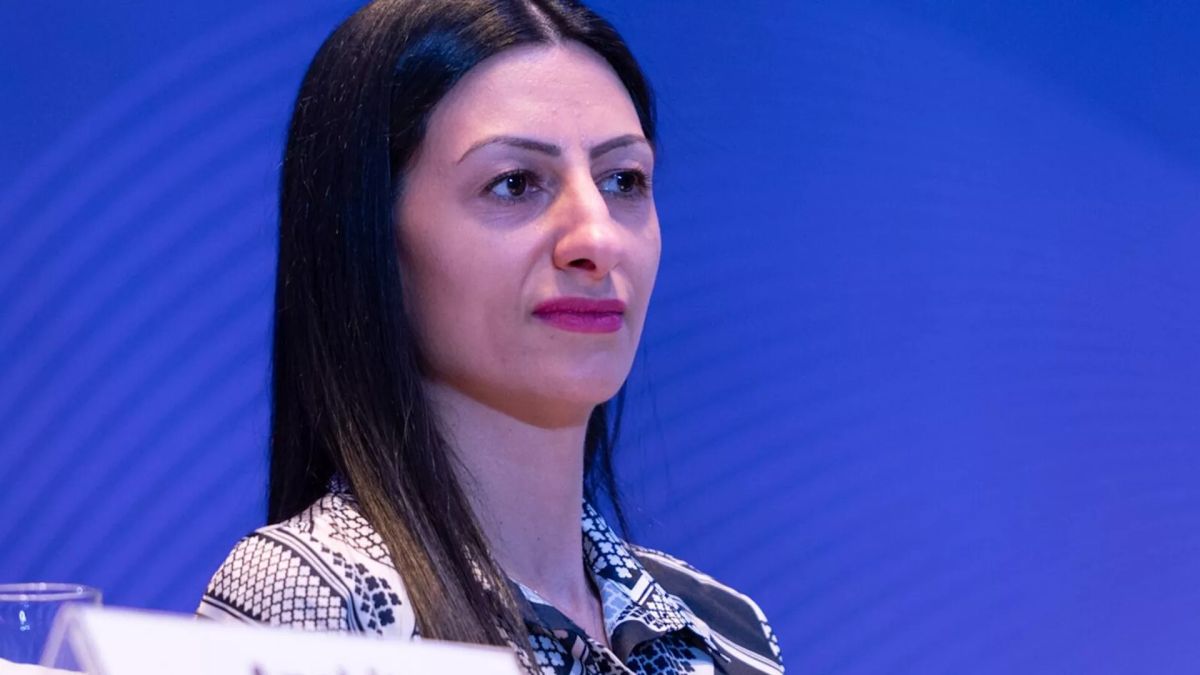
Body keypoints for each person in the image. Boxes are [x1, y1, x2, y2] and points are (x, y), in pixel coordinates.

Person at [197, 1, 785, 673]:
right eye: (515, 184)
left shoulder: (726, 632)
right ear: (370, 237)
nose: (597, 238)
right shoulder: (318, 601)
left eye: (623, 180)